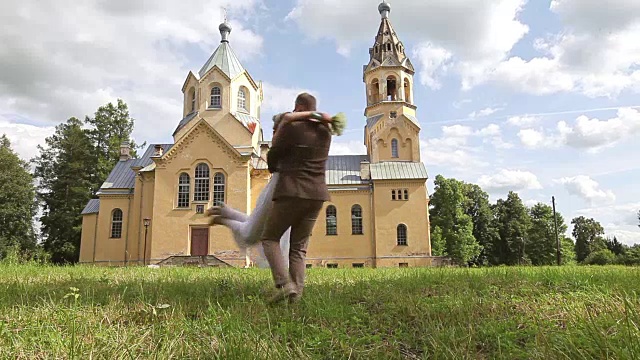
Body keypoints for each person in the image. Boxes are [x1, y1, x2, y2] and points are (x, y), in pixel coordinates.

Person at [261, 93, 333, 304]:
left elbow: (273, 160)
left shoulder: (291, 128)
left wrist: (280, 129)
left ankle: (284, 284)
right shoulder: (326, 132)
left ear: (299, 107)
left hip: (291, 191)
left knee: (270, 238)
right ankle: (296, 297)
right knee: (299, 248)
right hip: (317, 195)